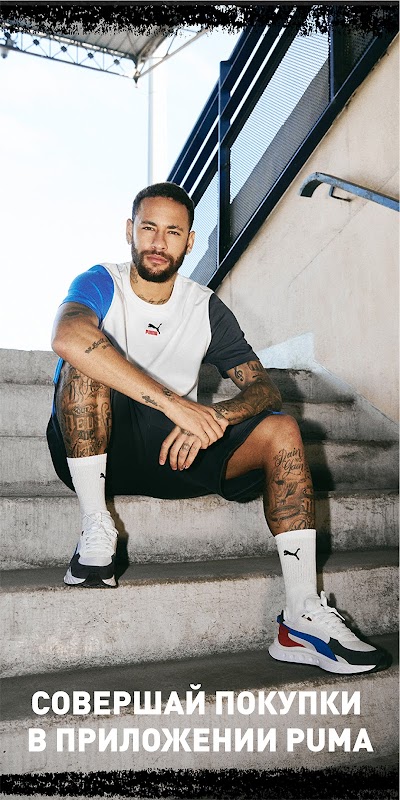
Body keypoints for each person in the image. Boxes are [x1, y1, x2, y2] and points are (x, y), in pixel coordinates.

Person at [47, 181, 388, 675]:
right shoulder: (102, 282)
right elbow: (67, 335)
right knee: (84, 362)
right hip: (97, 445)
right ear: (129, 231)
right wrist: (177, 406)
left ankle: (301, 618)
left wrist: (216, 417)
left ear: (189, 242)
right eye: (148, 228)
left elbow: (264, 390)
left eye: (172, 232)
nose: (158, 242)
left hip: (176, 452)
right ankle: (96, 527)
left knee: (282, 429)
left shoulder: (203, 306)